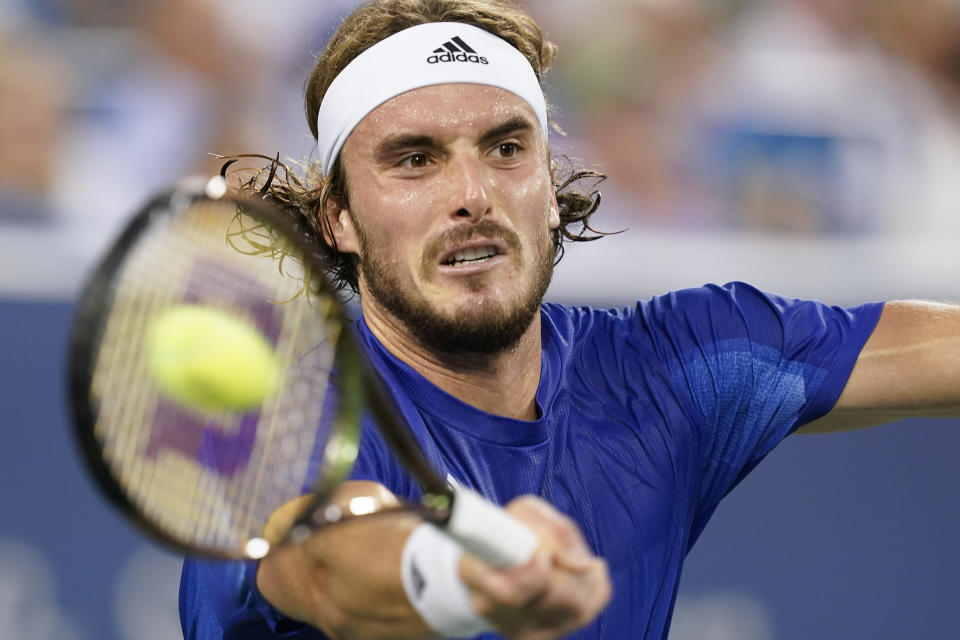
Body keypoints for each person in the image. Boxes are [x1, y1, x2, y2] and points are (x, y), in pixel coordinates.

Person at [179, 1, 960, 638]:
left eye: (506, 147)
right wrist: (458, 576)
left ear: (550, 187)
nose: (474, 195)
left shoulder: (677, 365)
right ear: (337, 219)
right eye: (415, 159)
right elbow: (325, 562)